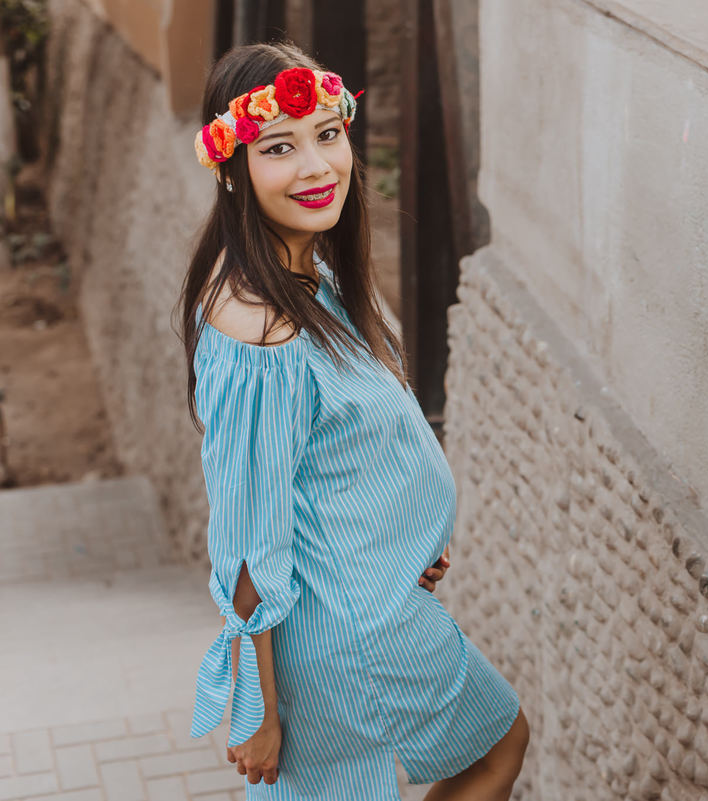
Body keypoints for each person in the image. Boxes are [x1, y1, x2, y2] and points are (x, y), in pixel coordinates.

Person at [174, 42, 529, 800]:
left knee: (493, 745)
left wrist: (409, 538)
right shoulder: (258, 330)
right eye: (279, 147)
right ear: (231, 167)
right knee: (497, 747)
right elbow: (248, 540)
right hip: (350, 629)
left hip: (375, 600)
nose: (317, 167)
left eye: (328, 135)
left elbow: (348, 455)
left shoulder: (312, 274)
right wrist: (258, 706)